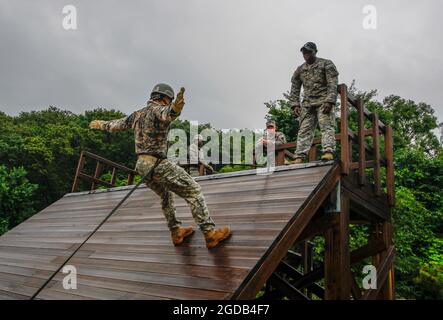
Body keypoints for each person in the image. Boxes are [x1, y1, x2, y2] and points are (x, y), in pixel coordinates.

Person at [89, 83, 231, 249]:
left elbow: (116, 125)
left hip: (141, 165)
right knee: (194, 190)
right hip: (157, 163)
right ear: (165, 99)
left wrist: (101, 124)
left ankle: (176, 232)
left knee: (166, 196)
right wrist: (176, 106)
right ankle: (210, 234)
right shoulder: (157, 110)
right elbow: (168, 114)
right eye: (169, 99)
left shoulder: (137, 114)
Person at [289, 42, 339, 163]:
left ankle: (328, 151)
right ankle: (299, 156)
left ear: (315, 52)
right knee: (304, 130)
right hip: (307, 103)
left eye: (308, 52)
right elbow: (295, 86)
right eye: (304, 53)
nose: (306, 55)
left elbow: (333, 82)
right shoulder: (300, 69)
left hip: (323, 101)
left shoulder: (326, 63)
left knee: (326, 126)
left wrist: (330, 101)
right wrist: (295, 104)